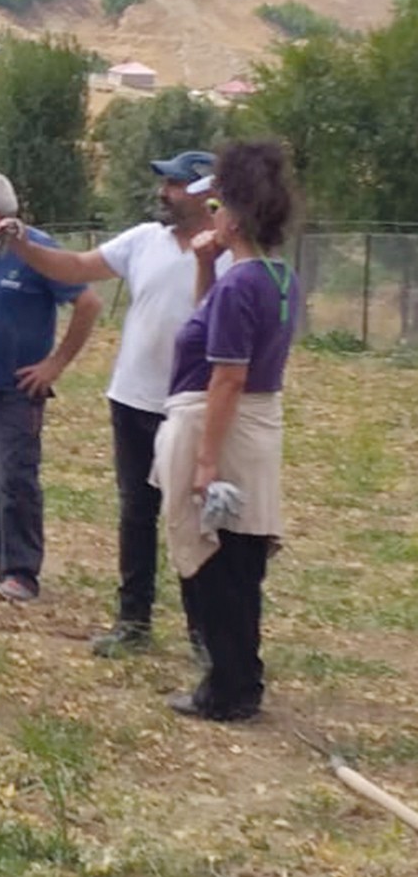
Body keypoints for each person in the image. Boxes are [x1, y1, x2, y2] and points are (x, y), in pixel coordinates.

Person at [0, 150, 222, 656]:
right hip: (133, 399)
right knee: (136, 513)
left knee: (192, 517)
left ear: (207, 193)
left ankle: (205, 632)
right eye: (163, 184)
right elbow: (75, 266)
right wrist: (24, 243)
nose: (163, 192)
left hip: (192, 405)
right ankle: (133, 620)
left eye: (177, 185)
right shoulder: (143, 241)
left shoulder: (228, 255)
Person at [154, 140, 301, 721]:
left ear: (234, 217)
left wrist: (207, 461)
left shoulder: (242, 286)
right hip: (258, 426)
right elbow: (204, 324)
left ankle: (228, 685)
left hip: (223, 428)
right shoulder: (275, 276)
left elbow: (226, 378)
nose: (210, 214)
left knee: (214, 555)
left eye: (218, 206)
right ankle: (241, 674)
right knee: (241, 554)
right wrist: (203, 264)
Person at [0, 172, 103, 604]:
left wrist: (54, 365)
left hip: (20, 387)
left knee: (16, 476)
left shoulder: (36, 249)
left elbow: (88, 303)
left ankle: (23, 570)